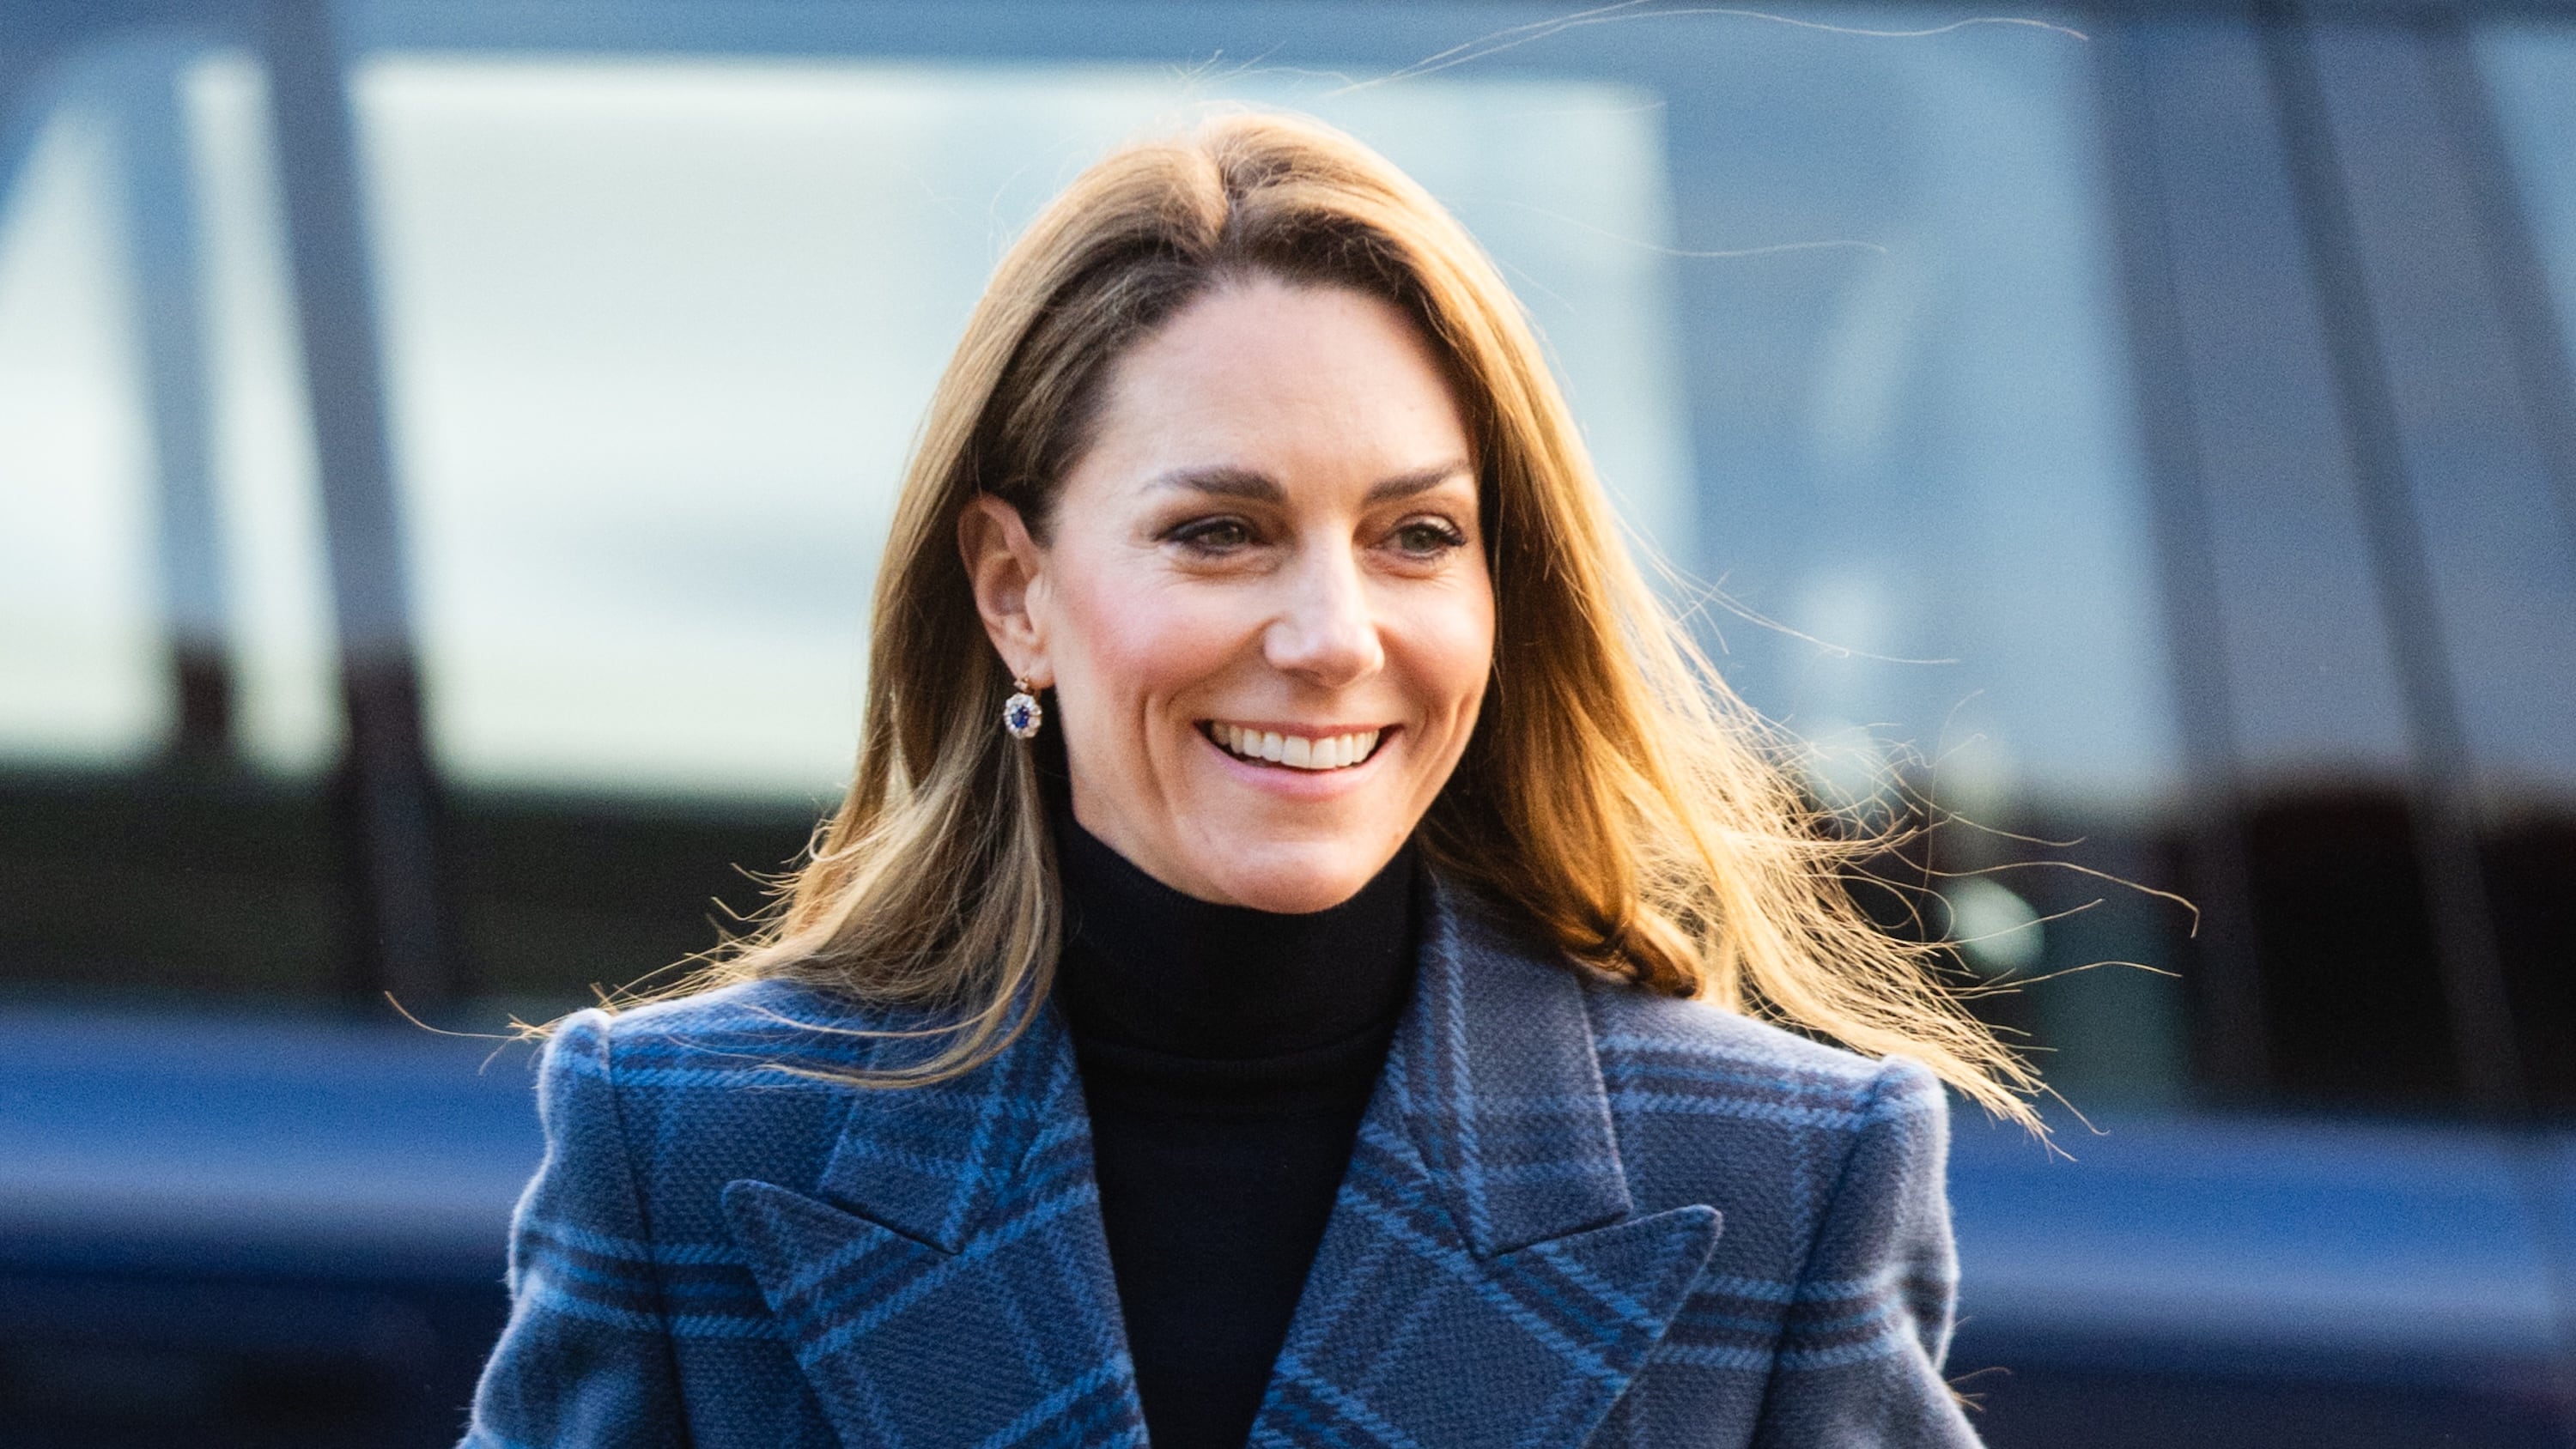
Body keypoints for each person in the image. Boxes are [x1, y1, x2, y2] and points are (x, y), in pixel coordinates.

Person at [459, 111, 2032, 1449]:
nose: (1334, 637)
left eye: (1417, 537)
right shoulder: (688, 1145)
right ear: (1016, 591)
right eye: (1221, 532)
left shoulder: (1780, 1173)